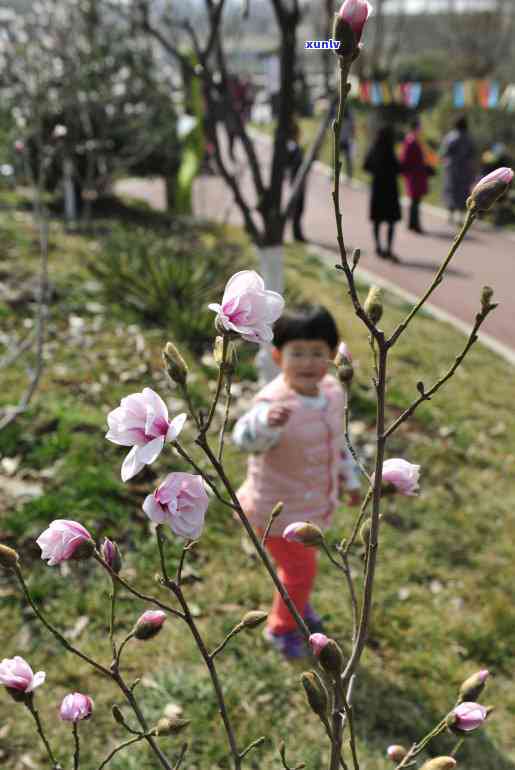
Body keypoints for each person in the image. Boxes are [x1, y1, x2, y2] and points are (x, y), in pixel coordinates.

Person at [232, 305, 361, 659]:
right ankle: (282, 628)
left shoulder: (332, 394)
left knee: (297, 570)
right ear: (278, 356)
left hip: (310, 508)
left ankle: (296, 604)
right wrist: (266, 424)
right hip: (275, 513)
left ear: (332, 356)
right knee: (299, 571)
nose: (307, 362)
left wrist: (349, 481)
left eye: (317, 353)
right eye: (297, 353)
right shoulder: (273, 404)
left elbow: (339, 444)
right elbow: (243, 439)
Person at [363, 125, 402, 261]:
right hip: (390, 190)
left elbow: (365, 166)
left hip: (378, 188)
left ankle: (378, 246)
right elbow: (398, 169)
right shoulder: (391, 151)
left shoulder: (374, 149)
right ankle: (389, 248)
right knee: (391, 221)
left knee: (377, 220)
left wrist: (376, 171)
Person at [440, 116, 476, 225]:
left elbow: (444, 152)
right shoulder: (469, 138)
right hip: (465, 169)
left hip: (452, 169)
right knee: (463, 192)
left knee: (451, 190)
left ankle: (450, 215)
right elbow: (472, 154)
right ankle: (460, 217)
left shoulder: (450, 137)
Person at [400, 117, 430, 234]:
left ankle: (413, 224)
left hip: (416, 174)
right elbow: (407, 159)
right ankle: (414, 224)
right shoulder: (411, 141)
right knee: (415, 201)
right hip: (414, 175)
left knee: (415, 200)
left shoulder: (412, 140)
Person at [286, 119, 307, 242]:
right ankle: (296, 233)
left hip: (298, 180)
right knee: (297, 207)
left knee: (299, 207)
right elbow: (292, 164)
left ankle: (297, 232)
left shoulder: (294, 147)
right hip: (296, 180)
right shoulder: (292, 148)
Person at [339, 105, 355, 181]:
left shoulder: (349, 117)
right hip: (340, 140)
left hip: (346, 140)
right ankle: (334, 173)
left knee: (348, 159)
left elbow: (352, 128)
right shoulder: (339, 116)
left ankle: (349, 175)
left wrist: (352, 137)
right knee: (336, 158)